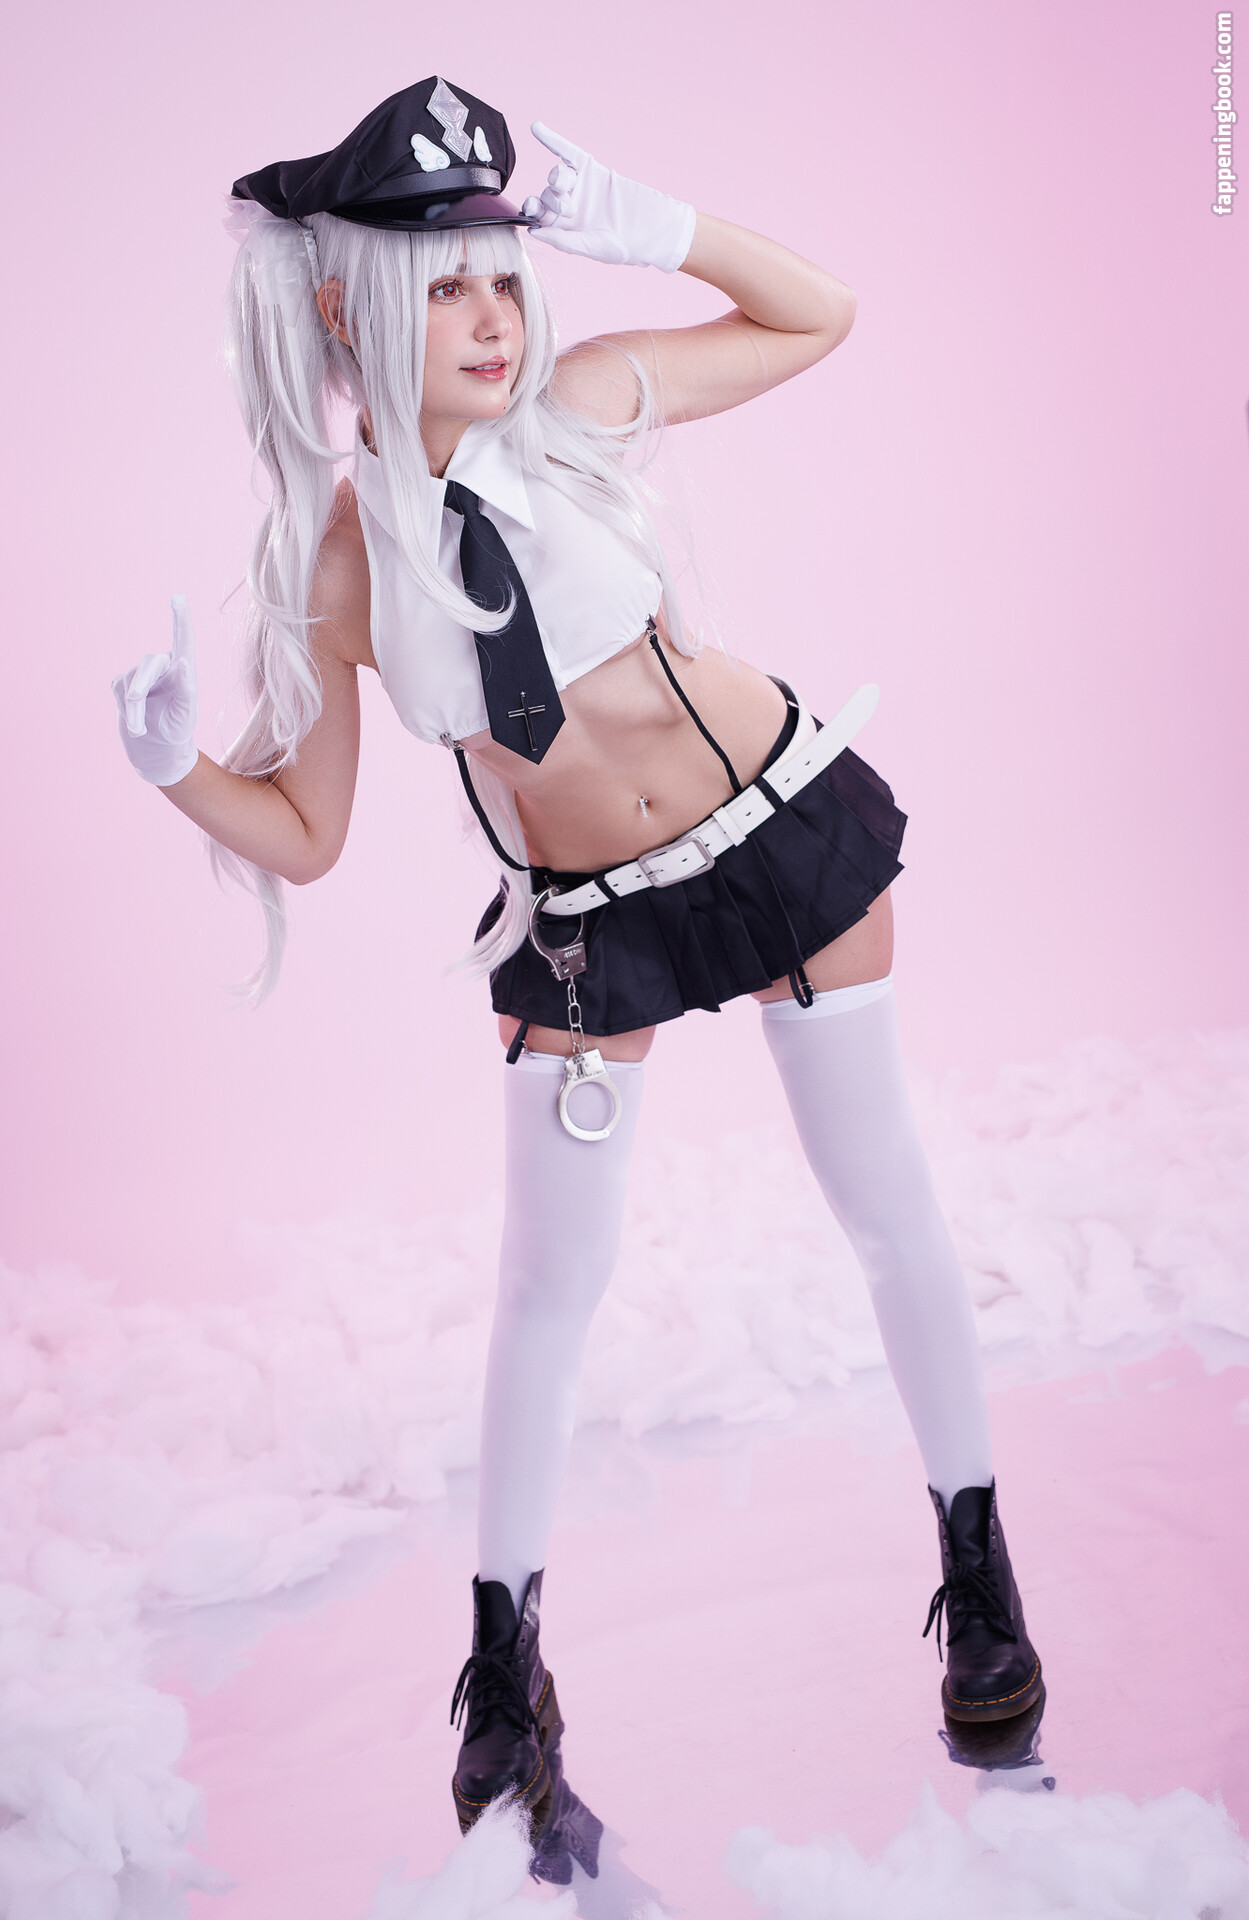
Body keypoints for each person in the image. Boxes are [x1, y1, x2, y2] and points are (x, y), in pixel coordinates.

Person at [111, 77, 1042, 1843]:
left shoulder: (588, 405)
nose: (489, 319)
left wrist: (650, 225)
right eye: (443, 288)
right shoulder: (336, 561)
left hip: (776, 834)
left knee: (884, 1207)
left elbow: (818, 315)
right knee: (549, 1286)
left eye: (502, 278)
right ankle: (502, 1667)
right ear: (347, 311)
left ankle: (979, 1570)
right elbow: (304, 830)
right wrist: (174, 769)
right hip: (584, 922)